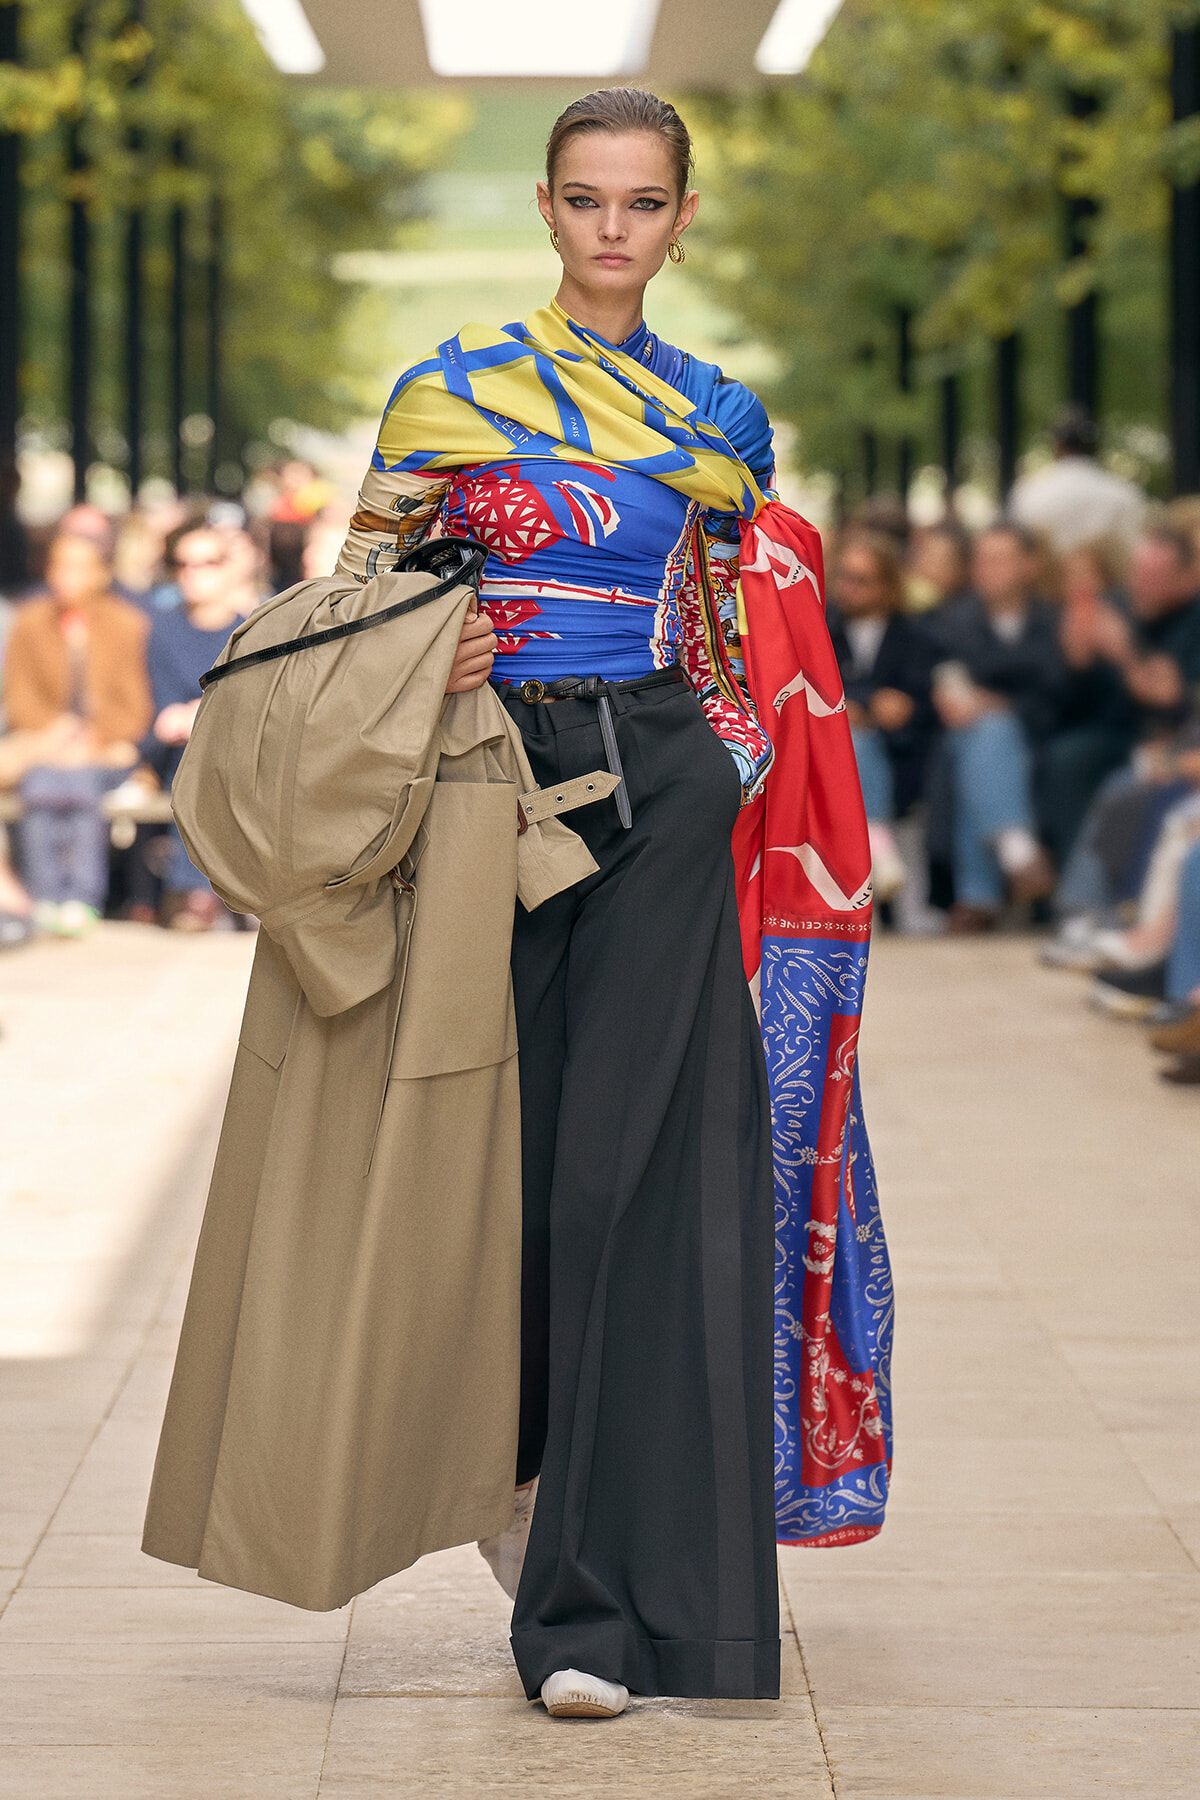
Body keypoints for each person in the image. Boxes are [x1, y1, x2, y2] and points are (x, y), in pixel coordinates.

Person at [155, 89, 893, 1720]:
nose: (614, 231)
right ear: (549, 212)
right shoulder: (449, 392)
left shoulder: (725, 418)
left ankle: (589, 1616)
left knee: (625, 1187)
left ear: (680, 219)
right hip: (484, 790)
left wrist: (731, 760)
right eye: (585, 200)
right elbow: (350, 600)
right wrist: (433, 644)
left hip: (662, 793)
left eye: (644, 204)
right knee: (495, 1172)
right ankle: (513, 1481)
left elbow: (723, 628)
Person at [0, 530, 150, 934]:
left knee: (81, 787)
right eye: (59, 566)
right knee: (41, 786)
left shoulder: (128, 624)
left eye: (78, 568)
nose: (66, 577)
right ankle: (46, 896)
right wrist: (52, 734)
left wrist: (95, 739)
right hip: (45, 747)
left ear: (101, 574)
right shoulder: (30, 622)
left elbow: (135, 703)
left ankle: (82, 897)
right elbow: (20, 697)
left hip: (105, 750)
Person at [926, 521, 1064, 928]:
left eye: (999, 560)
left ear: (1030, 565)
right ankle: (1016, 849)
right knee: (984, 735)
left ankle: (979, 896)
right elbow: (942, 675)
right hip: (959, 734)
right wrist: (953, 698)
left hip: (1037, 736)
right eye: (981, 560)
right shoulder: (953, 618)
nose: (986, 569)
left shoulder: (1053, 620)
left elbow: (1062, 693)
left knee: (989, 735)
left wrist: (1002, 705)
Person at [143, 516, 260, 929]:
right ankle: (196, 892)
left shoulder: (251, 632)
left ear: (231, 567)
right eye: (183, 564)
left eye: (207, 562)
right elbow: (159, 712)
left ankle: (197, 891)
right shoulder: (161, 631)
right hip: (172, 756)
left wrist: (200, 715)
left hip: (234, 753)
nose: (193, 574)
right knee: (197, 760)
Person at [828, 529, 936, 902]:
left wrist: (863, 707)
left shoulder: (915, 637)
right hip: (832, 756)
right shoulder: (821, 627)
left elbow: (917, 703)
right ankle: (880, 846)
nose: (848, 588)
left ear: (889, 586)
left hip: (901, 758)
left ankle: (879, 844)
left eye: (862, 581)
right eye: (843, 577)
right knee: (852, 739)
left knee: (858, 740)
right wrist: (868, 704)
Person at [1010, 404, 1145, 554]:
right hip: (1107, 577)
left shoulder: (1029, 492)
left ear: (1057, 444)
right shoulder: (1124, 494)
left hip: (1047, 576)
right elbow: (1131, 549)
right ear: (1095, 445)